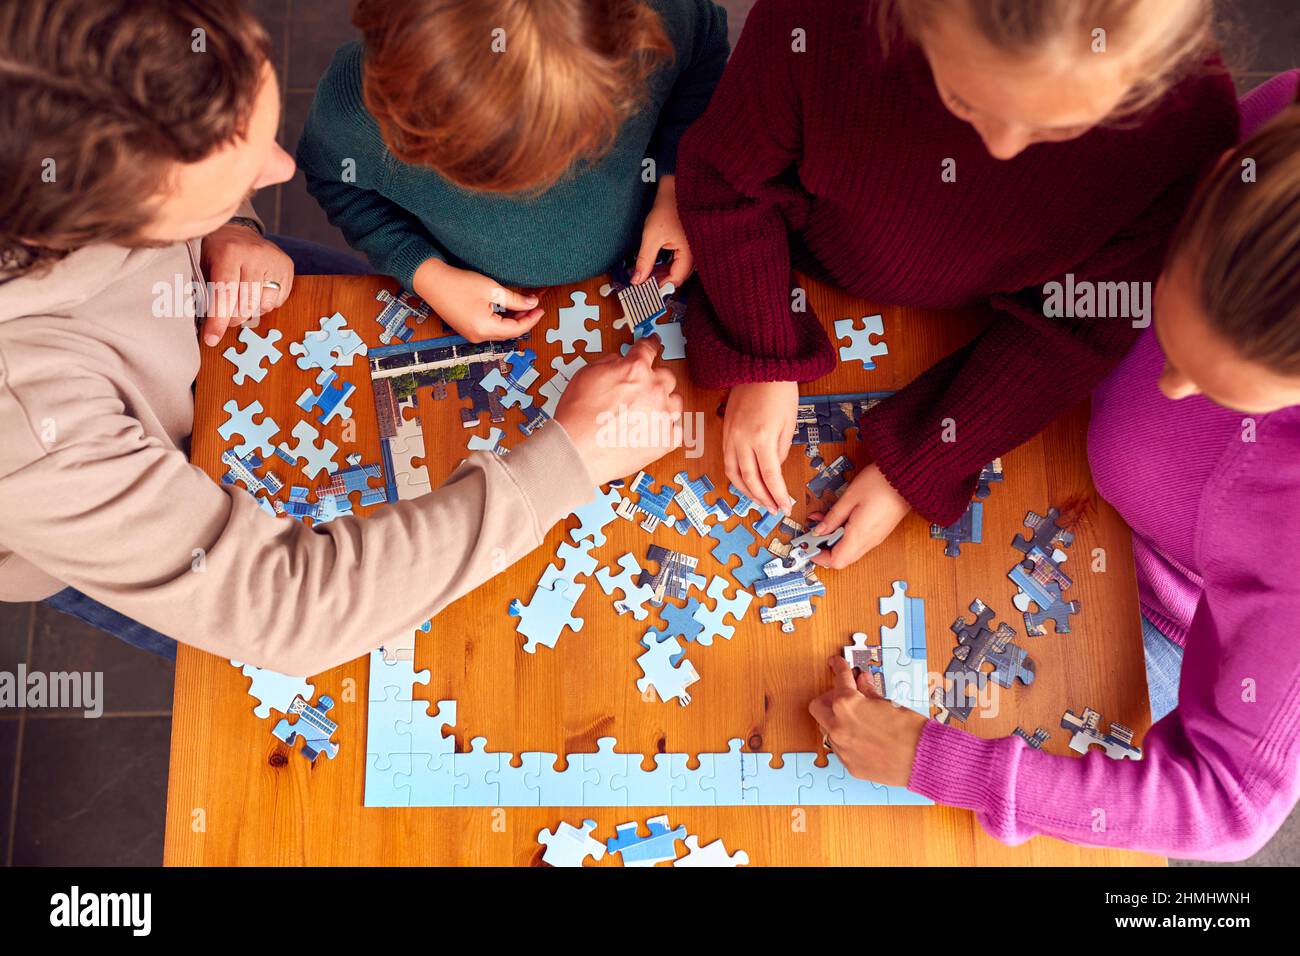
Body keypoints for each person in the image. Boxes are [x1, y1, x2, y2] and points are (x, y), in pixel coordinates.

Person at [0, 0, 683, 676]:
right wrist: (573, 459)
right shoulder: (25, 431)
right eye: (232, 177)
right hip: (118, 515)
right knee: (324, 672)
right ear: (97, 218)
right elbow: (290, 610)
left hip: (225, 315)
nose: (280, 170)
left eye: (252, 130)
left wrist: (227, 225)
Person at [811, 89, 1300, 862]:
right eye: (1169, 334)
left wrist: (937, 763)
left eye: (1214, 385)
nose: (1169, 388)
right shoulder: (1262, 146)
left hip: (1157, 617)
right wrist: (926, 456)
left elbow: (1230, 809)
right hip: (1041, 421)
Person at [675, 0, 1239, 568]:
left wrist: (921, 464)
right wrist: (766, 353)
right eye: (965, 101)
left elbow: (1077, 328)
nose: (1002, 147)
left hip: (984, 330)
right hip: (800, 254)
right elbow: (726, 177)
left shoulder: (1188, 123)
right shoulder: (818, 18)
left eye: (1060, 128)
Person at [295, 0, 730, 343]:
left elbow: (704, 52)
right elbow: (338, 185)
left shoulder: (653, 20)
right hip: (474, 290)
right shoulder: (359, 112)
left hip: (648, 240)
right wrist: (427, 274)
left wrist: (674, 184)